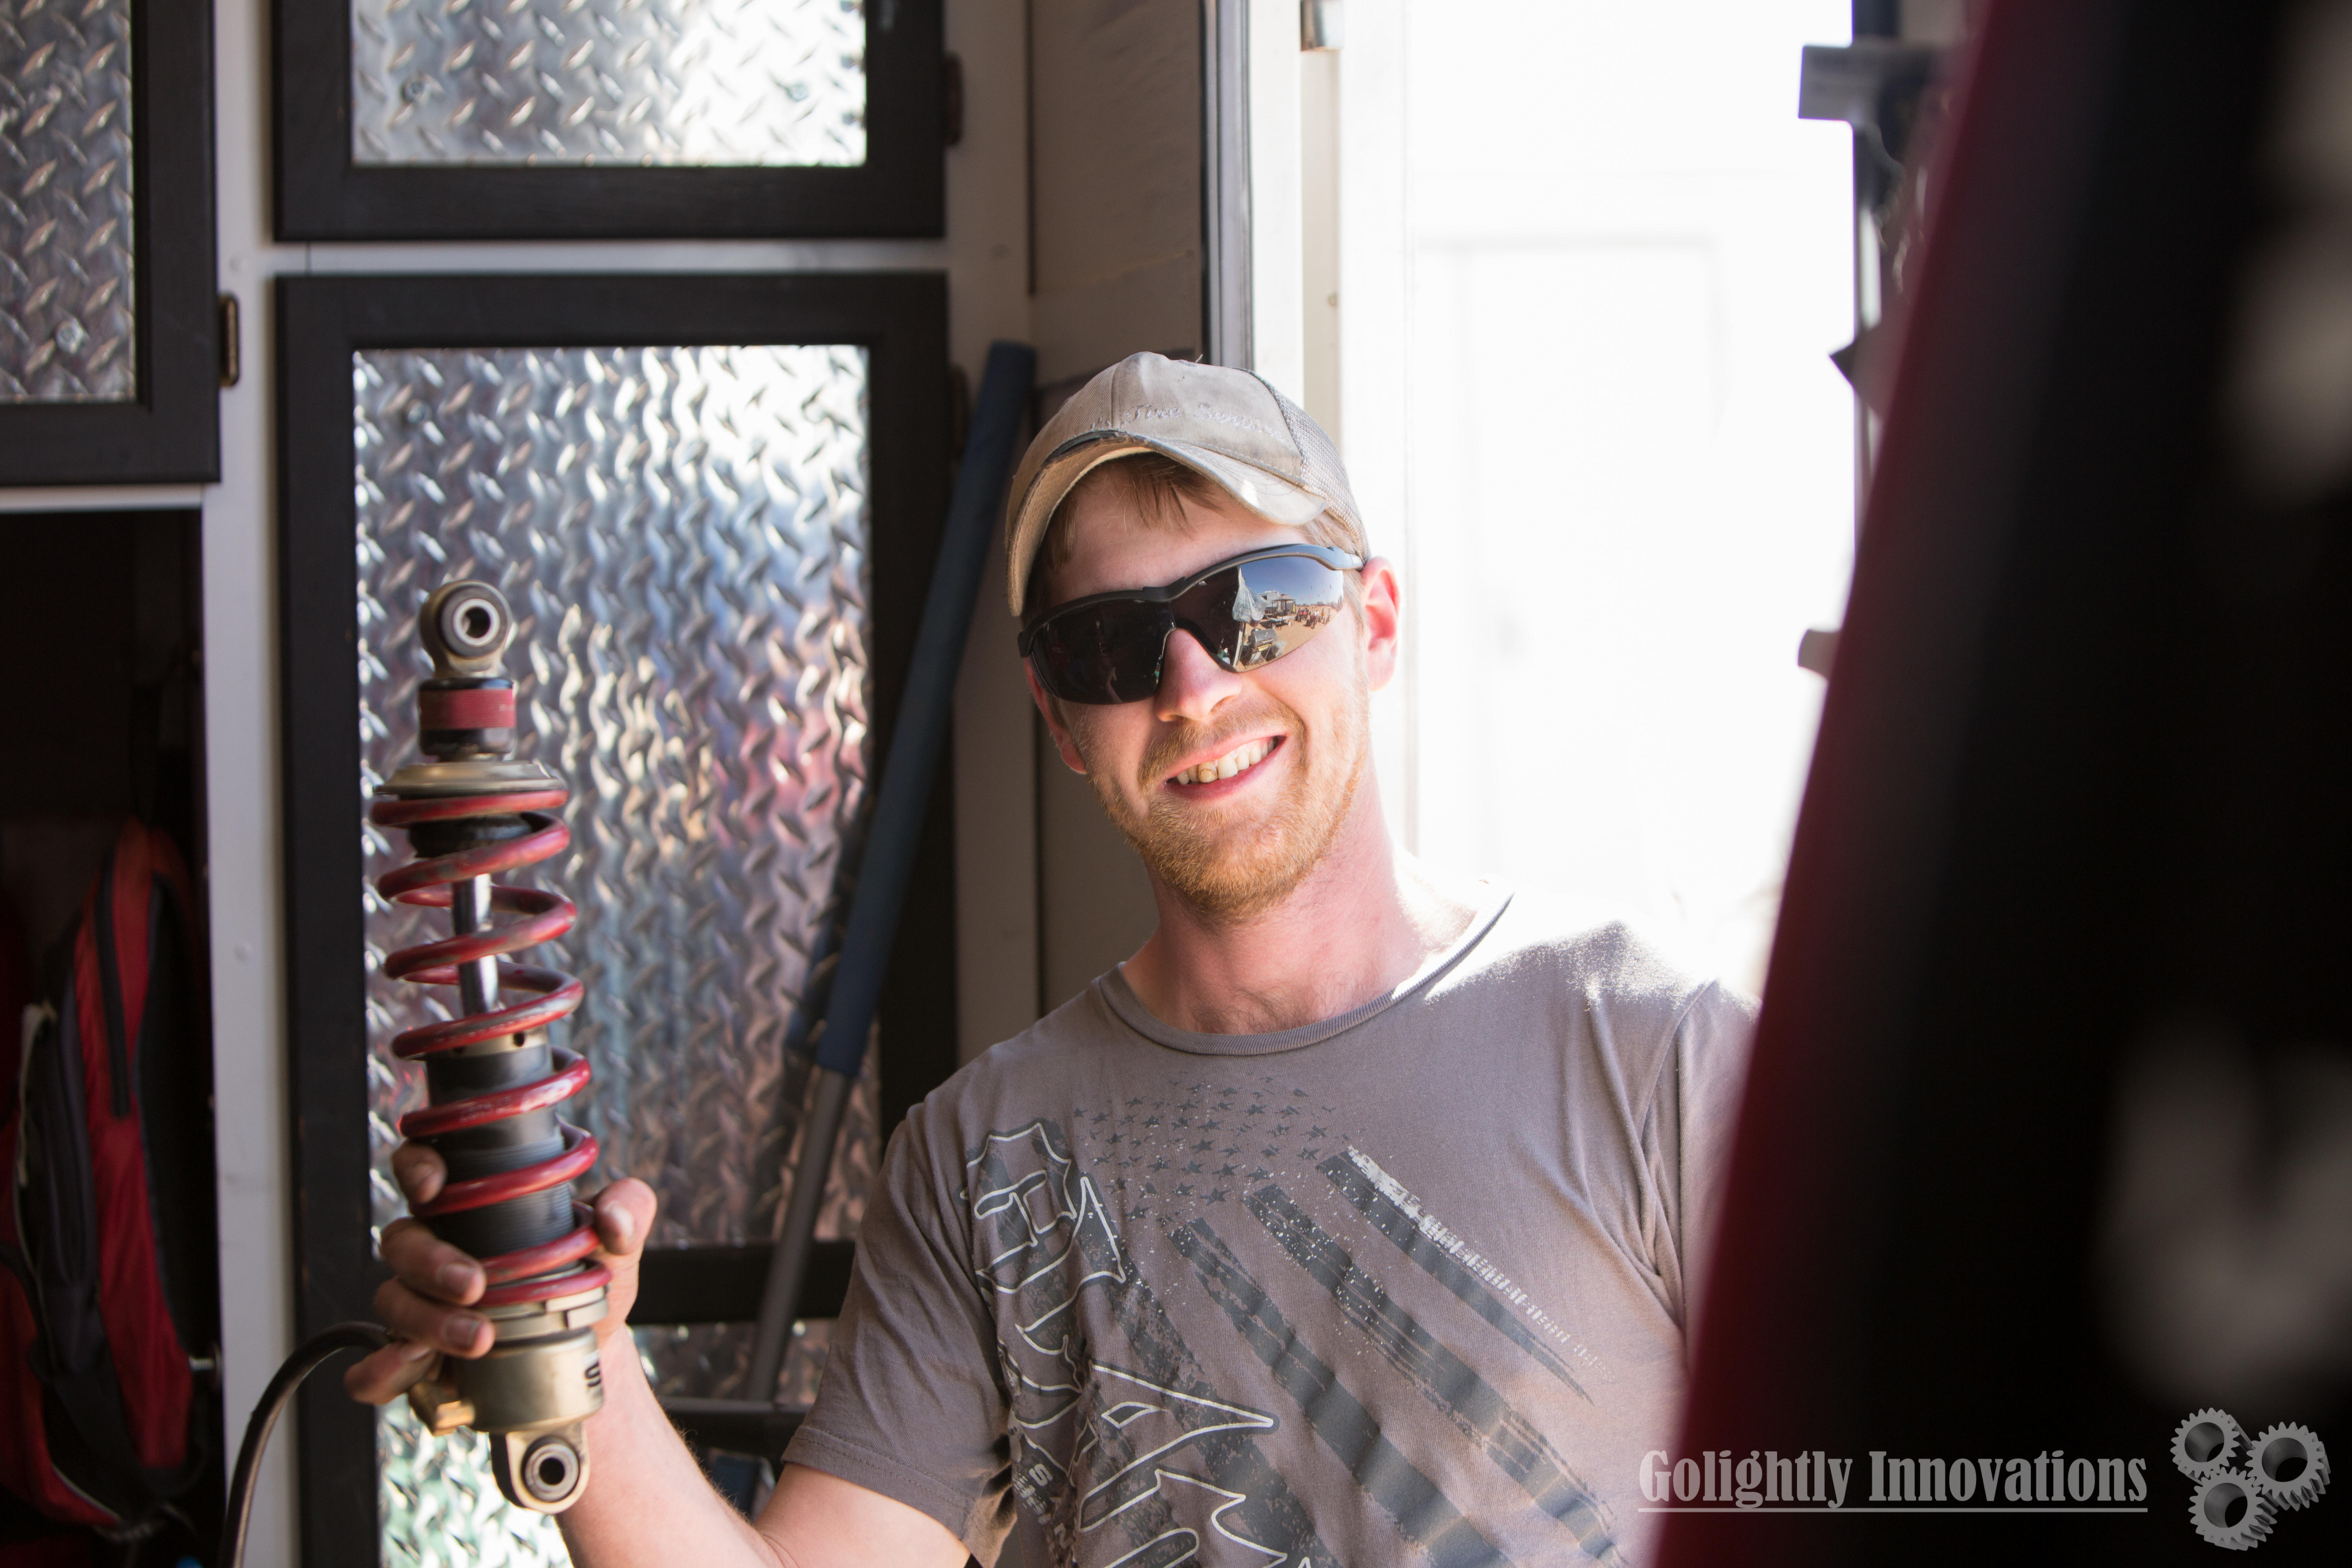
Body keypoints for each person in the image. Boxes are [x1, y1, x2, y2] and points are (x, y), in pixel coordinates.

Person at [346, 353, 1754, 1567]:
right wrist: (572, 1359)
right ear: (1059, 714)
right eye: (1111, 645)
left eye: (1256, 603)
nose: (1193, 688)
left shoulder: (1648, 1049)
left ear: (1374, 623)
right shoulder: (983, 1161)